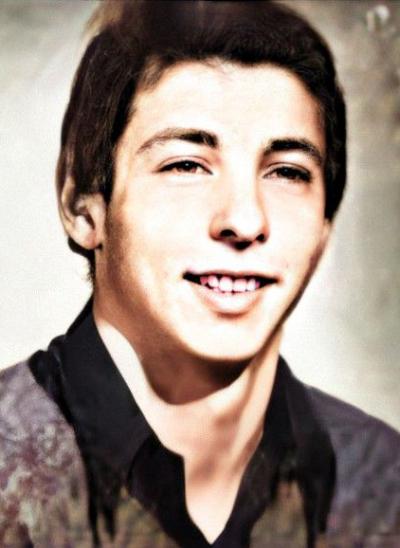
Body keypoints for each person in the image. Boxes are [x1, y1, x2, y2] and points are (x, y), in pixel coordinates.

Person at [0, 1, 399, 547]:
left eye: (287, 172)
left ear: (325, 225)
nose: (245, 220)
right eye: (186, 165)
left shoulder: (383, 486)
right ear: (82, 207)